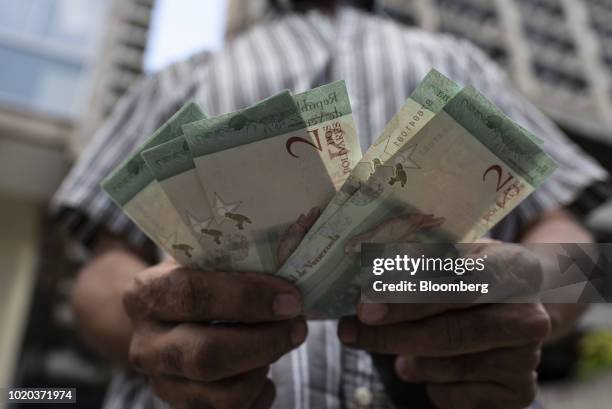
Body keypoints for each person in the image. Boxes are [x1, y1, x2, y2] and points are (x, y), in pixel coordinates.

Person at [51, 1, 610, 408]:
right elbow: (100, 270)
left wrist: (519, 291)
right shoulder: (173, 80)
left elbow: (579, 265)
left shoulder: (468, 64)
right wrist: (151, 327)